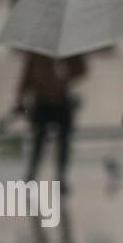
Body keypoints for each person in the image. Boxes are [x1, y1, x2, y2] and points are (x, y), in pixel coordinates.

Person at [19, 52, 87, 191]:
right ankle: (32, 174)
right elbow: (28, 73)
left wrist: (67, 73)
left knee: (63, 142)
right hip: (42, 100)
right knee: (39, 140)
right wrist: (21, 95)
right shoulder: (37, 52)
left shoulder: (69, 52)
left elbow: (81, 69)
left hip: (62, 100)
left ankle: (61, 176)